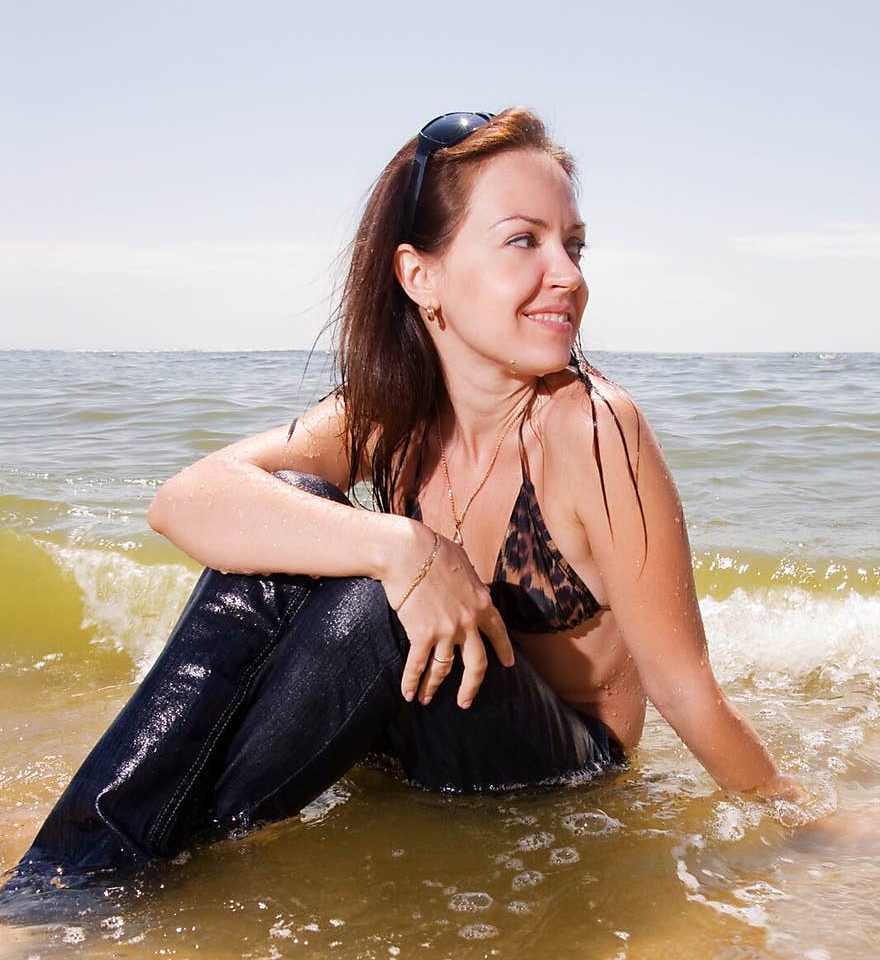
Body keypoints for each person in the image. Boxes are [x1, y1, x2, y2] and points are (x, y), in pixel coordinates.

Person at [2, 106, 808, 903]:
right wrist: (404, 545)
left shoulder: (591, 426)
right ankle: (79, 869)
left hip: (549, 770)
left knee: (369, 597)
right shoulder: (388, 413)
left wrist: (798, 823)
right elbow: (185, 501)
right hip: (400, 754)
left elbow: (684, 687)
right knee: (299, 513)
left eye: (574, 244)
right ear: (421, 276)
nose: (567, 274)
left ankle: (106, 881)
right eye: (524, 240)